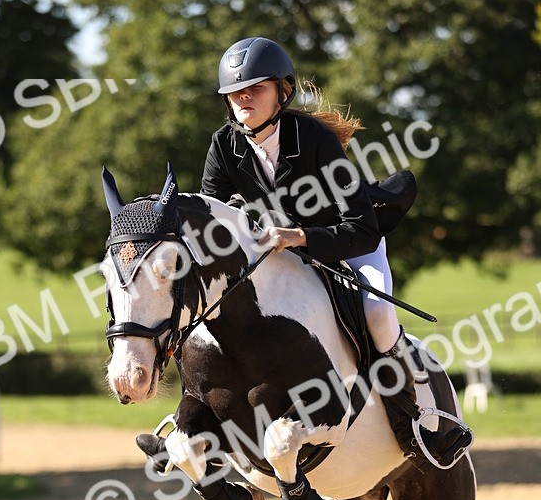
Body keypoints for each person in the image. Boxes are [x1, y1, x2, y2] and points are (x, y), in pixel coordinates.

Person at [201, 35, 472, 471]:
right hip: (277, 256)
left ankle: (416, 422)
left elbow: (361, 228)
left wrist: (301, 236)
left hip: (346, 246)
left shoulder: (314, 140)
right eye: (235, 91)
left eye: (256, 87)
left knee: (379, 316)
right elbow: (214, 215)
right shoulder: (223, 145)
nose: (244, 97)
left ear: (282, 91)